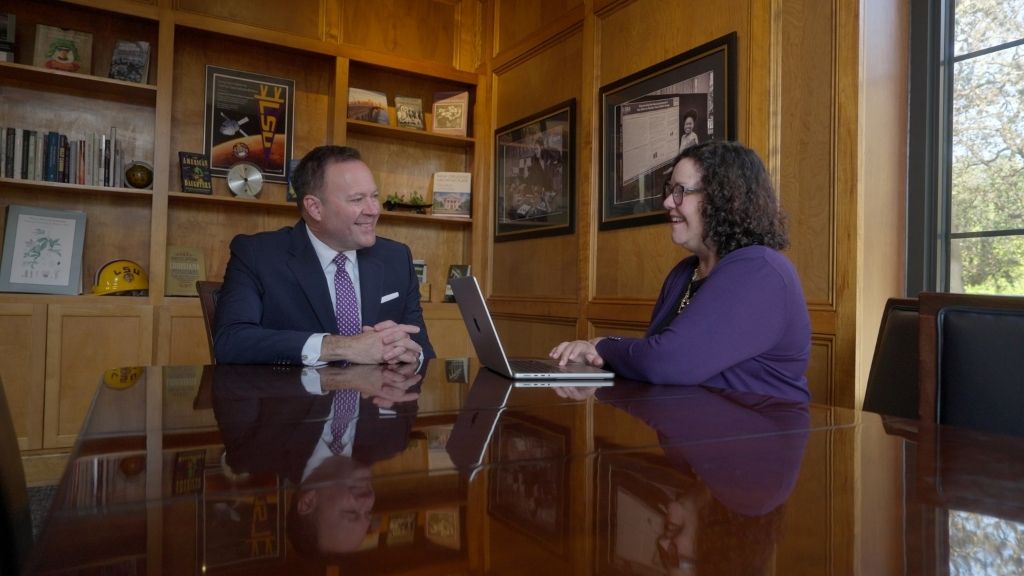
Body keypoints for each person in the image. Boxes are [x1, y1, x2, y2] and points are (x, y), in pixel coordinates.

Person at [550, 140, 810, 402]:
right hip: (688, 428)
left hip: (755, 436)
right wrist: (597, 358)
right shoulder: (684, 273)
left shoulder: (760, 269)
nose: (667, 202)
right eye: (669, 190)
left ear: (723, 200)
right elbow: (654, 358)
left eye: (680, 191)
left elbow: (666, 361)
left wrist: (600, 346)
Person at [214, 145, 434, 365]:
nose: (374, 210)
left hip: (377, 397)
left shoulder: (396, 258)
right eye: (357, 199)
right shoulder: (257, 255)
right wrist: (343, 347)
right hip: (292, 397)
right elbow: (231, 341)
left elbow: (421, 345)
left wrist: (409, 350)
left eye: (374, 196)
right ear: (315, 208)